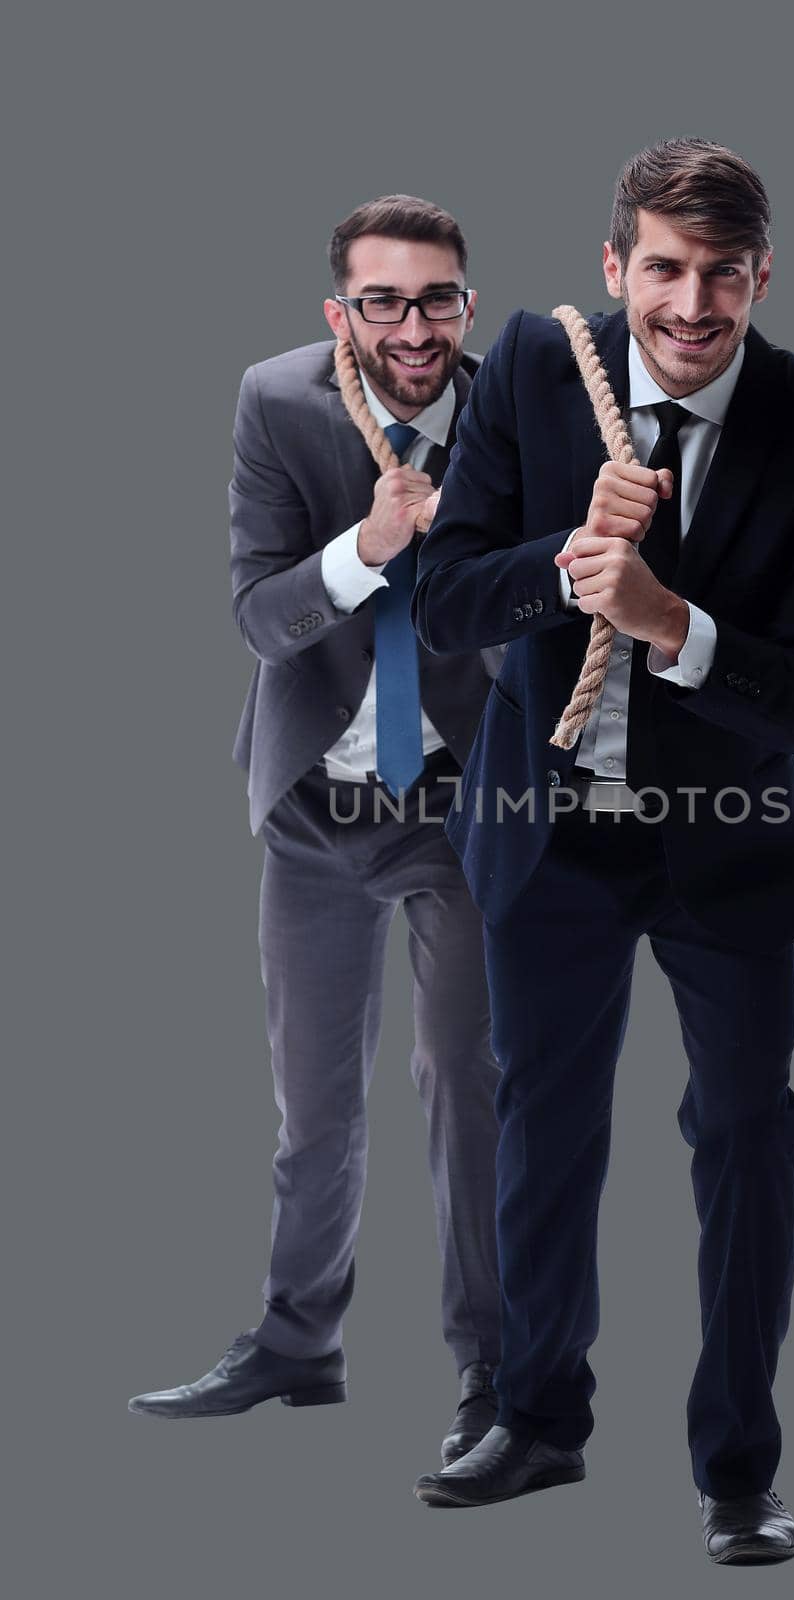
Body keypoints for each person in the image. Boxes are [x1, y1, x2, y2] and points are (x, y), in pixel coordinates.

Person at [409, 140, 794, 1562]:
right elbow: (442, 602)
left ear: (758, 278)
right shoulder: (535, 367)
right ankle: (534, 1417)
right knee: (539, 1120)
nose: (690, 303)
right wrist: (565, 561)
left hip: (722, 840)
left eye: (720, 273)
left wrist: (670, 623)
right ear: (614, 270)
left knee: (743, 1131)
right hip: (545, 828)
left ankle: (737, 1468)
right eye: (662, 269)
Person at [129, 196, 503, 1467]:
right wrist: (367, 545)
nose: (414, 325)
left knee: (466, 1088)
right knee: (313, 1106)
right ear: (340, 311)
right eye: (384, 301)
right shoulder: (277, 401)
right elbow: (257, 611)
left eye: (438, 297)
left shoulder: (518, 407)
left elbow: (561, 609)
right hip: (314, 804)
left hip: (461, 806)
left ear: (468, 302)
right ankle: (298, 1345)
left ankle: (493, 1373)